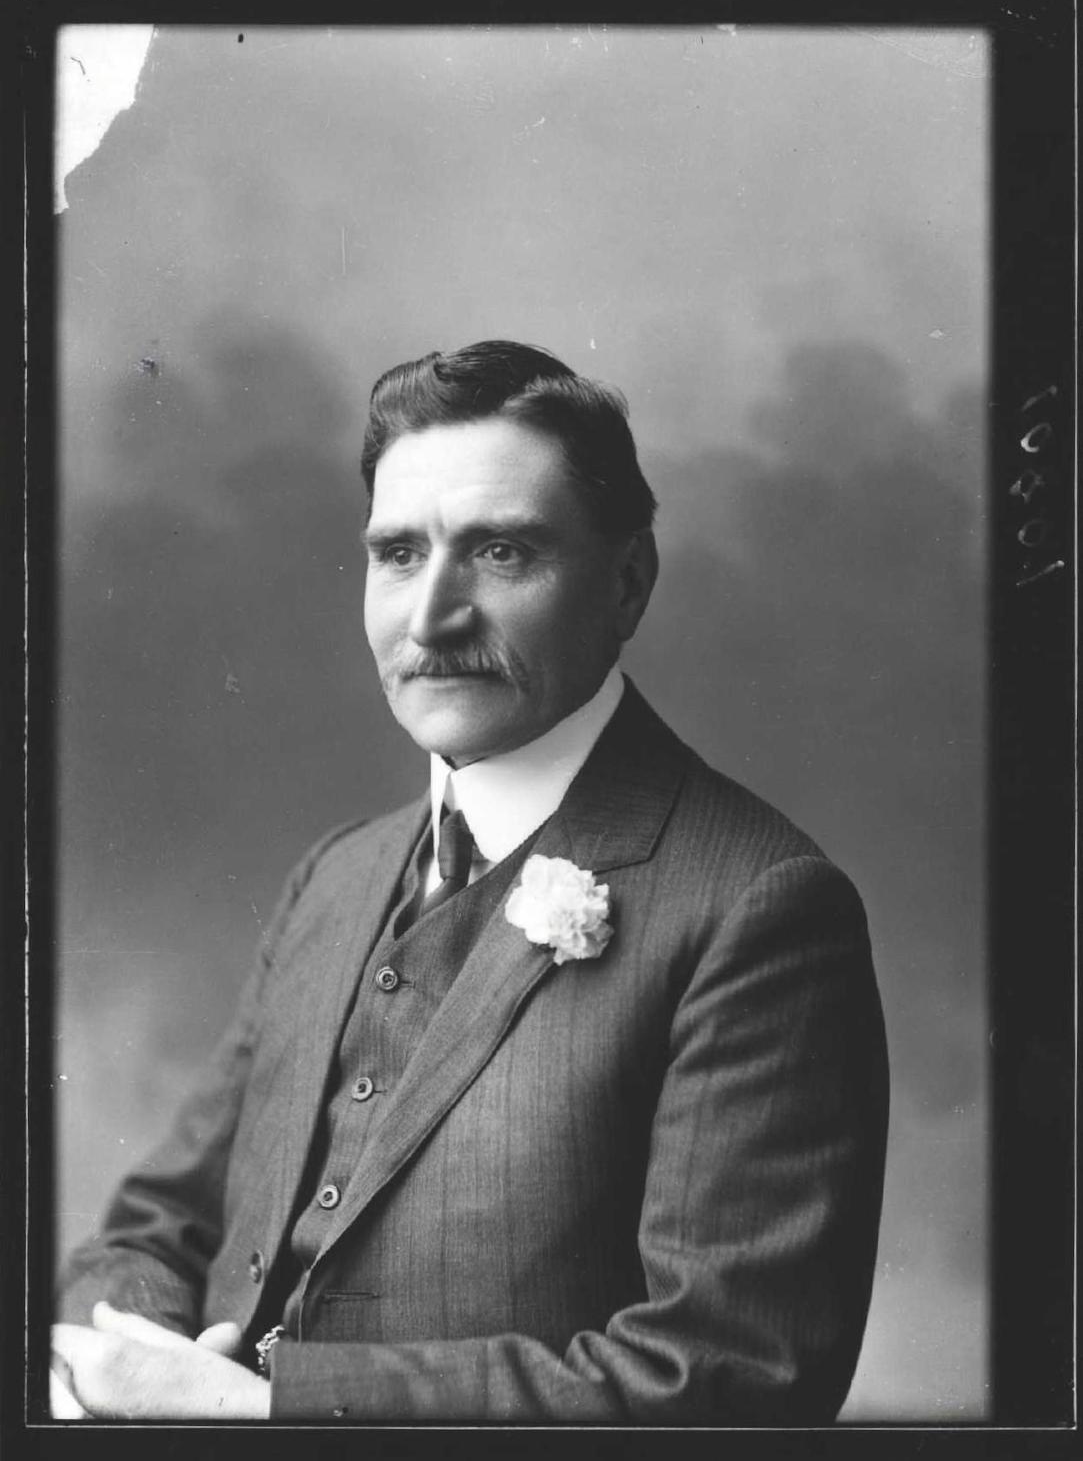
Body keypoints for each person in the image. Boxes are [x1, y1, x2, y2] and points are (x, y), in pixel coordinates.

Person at [52, 339, 889, 1423]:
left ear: (626, 581)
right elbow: (157, 1222)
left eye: (499, 552)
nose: (430, 618)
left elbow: (729, 1382)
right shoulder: (338, 876)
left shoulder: (760, 908)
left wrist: (253, 1413)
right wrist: (134, 1359)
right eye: (399, 554)